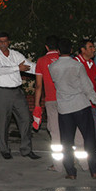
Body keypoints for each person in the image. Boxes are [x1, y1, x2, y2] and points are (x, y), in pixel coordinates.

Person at [48, 37, 96, 179]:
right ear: (71, 50)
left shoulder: (52, 67)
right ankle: (95, 171)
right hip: (81, 106)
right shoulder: (77, 66)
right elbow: (87, 86)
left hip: (64, 109)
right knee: (89, 140)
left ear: (58, 51)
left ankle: (71, 172)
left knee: (66, 142)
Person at [0, 32, 41, 159]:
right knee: (2, 122)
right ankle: (4, 149)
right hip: (2, 92)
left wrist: (44, 68)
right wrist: (17, 68)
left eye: (5, 41)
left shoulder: (16, 55)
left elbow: (29, 66)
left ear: (9, 42)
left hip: (17, 92)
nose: (3, 44)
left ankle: (26, 149)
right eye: (0, 41)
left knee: (26, 119)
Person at [34, 35, 65, 172]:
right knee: (71, 130)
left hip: (51, 100)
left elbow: (38, 86)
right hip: (68, 100)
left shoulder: (41, 61)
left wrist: (37, 105)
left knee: (55, 132)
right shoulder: (65, 59)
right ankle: (76, 160)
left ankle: (58, 165)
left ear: (46, 47)